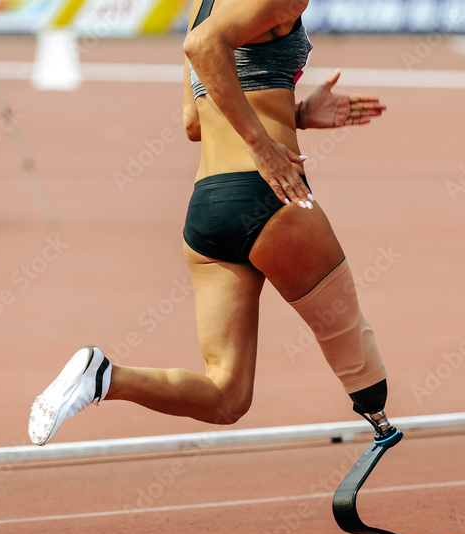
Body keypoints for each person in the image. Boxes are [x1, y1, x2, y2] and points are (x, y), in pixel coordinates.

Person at [29, 0, 397, 453]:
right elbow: (203, 45)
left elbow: (193, 122)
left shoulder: (201, 4)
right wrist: (263, 143)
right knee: (346, 336)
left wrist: (296, 115)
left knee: (226, 397)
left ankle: (103, 377)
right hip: (271, 196)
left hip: (210, 208)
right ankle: (385, 430)